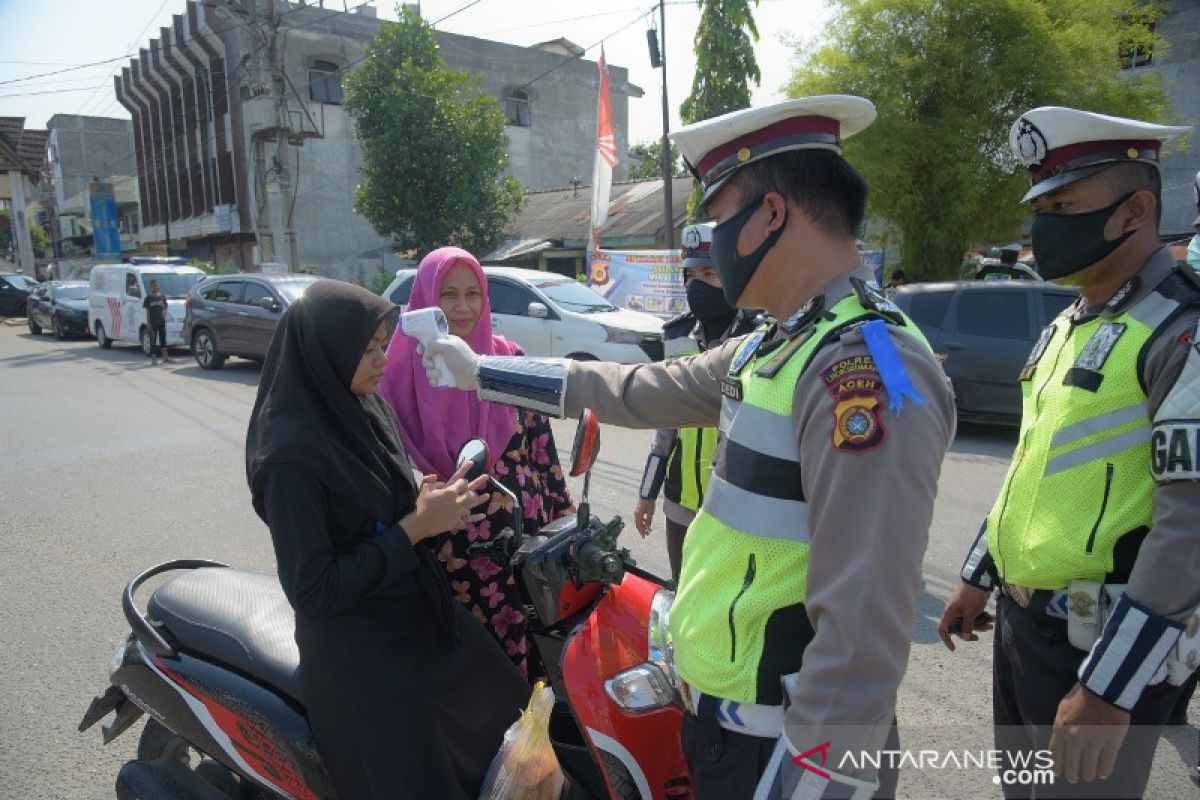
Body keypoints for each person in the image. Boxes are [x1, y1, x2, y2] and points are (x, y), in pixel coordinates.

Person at [424, 95, 957, 799]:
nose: (706, 236)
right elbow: (636, 388)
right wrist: (482, 370)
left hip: (784, 750)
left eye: (717, 212)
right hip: (721, 725)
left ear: (770, 215)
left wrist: (813, 784)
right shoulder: (777, 341)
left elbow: (863, 632)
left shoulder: (871, 360)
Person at [938, 107, 1200, 798]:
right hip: (1022, 633)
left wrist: (1111, 688)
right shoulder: (1066, 324)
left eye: (1064, 206)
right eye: (1041, 207)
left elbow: (1189, 530)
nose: (1041, 226)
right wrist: (978, 574)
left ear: (1135, 210)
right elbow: (1035, 466)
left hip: (1096, 649)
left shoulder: (1181, 334)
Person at [245, 280, 530, 799]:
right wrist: (414, 528)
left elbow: (389, 484)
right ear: (328, 350)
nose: (384, 358)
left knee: (506, 705)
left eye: (384, 345)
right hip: (360, 647)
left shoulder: (363, 405)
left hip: (411, 608)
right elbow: (314, 589)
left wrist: (438, 496)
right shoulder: (290, 460)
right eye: (370, 348)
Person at [379, 247, 572, 680]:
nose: (463, 307)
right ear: (426, 298)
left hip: (522, 558)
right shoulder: (394, 377)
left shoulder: (510, 363)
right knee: (461, 681)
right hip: (444, 565)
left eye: (473, 294)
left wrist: (564, 529)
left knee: (528, 681)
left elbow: (543, 454)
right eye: (449, 294)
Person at [634, 222, 756, 581]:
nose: (698, 285)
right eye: (691, 275)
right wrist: (647, 494)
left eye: (709, 273)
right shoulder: (675, 336)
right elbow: (664, 429)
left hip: (736, 510)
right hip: (681, 505)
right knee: (682, 596)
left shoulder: (757, 337)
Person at [143, 279, 170, 365]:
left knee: (163, 339)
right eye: (153, 285)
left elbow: (166, 306)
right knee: (153, 340)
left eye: (156, 285)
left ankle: (165, 357)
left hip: (162, 322)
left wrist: (165, 311)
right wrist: (148, 323)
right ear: (150, 287)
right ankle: (154, 359)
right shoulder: (148, 298)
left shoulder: (162, 296)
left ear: (159, 286)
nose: (155, 287)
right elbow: (147, 311)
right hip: (153, 322)